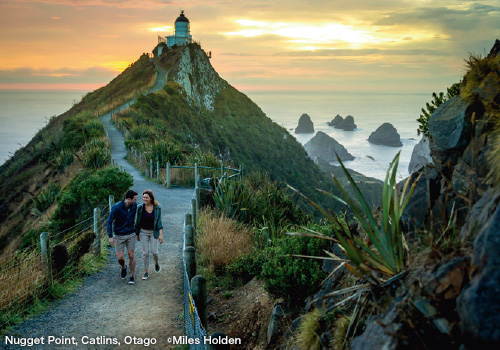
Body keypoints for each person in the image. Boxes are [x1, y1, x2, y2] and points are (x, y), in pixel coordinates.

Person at [106, 190, 138, 285]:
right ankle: (124, 267)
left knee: (131, 255)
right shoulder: (116, 208)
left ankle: (132, 276)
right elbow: (109, 221)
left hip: (131, 234)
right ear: (128, 199)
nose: (136, 201)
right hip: (119, 235)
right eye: (134, 199)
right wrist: (110, 236)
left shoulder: (134, 206)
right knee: (119, 258)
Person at [135, 189, 163, 280]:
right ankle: (146, 272)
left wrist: (160, 235)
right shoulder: (140, 208)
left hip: (153, 232)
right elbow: (137, 221)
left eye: (146, 197)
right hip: (143, 232)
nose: (144, 199)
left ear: (151, 198)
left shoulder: (157, 208)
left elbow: (159, 223)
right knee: (145, 253)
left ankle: (156, 263)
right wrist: (137, 234)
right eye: (143, 197)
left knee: (154, 252)